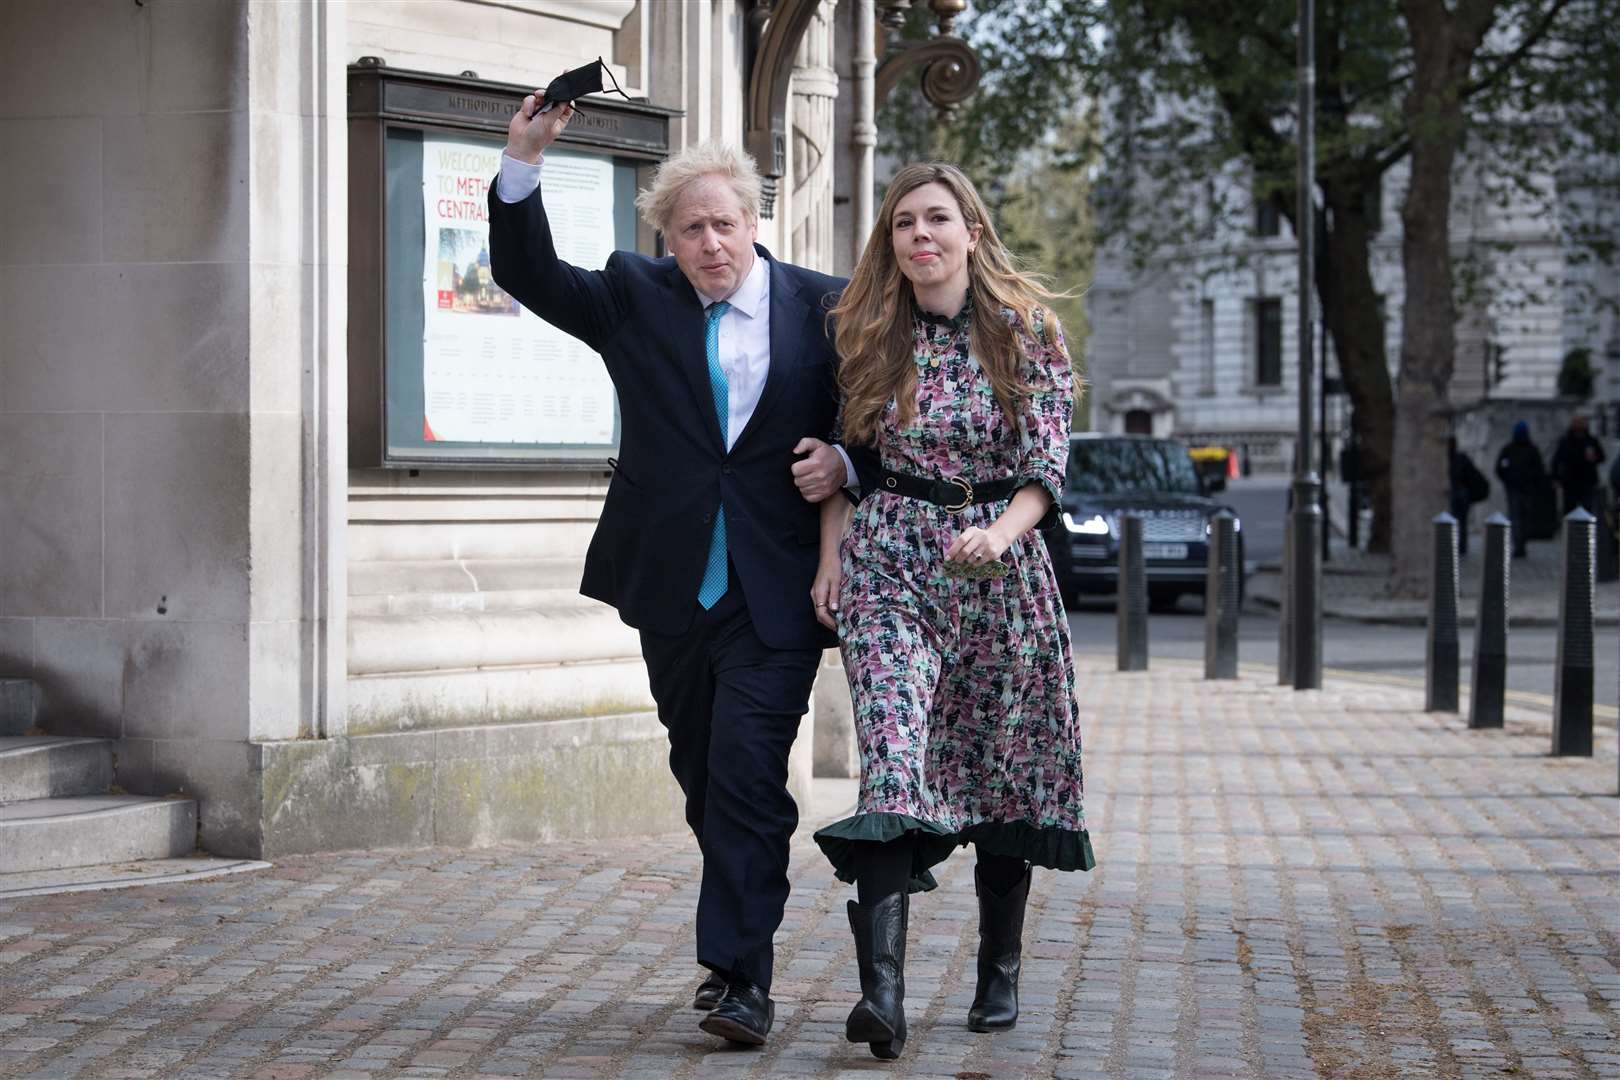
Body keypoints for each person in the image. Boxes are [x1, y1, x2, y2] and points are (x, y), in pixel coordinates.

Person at [488, 90, 861, 1048]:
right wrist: (522, 163)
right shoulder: (633, 297)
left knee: (744, 771)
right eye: (690, 228)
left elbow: (875, 427)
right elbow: (528, 270)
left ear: (753, 221)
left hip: (775, 589)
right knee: (702, 772)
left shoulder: (823, 307)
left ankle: (741, 976)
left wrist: (844, 464)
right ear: (669, 237)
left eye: (725, 224)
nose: (710, 243)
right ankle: (738, 934)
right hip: (671, 585)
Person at [809, 163, 1095, 1060]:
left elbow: (1046, 467)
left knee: (1000, 768)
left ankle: (998, 968)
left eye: (937, 220)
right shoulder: (866, 330)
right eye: (903, 224)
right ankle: (882, 999)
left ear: (972, 229)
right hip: (892, 557)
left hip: (999, 568)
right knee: (893, 759)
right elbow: (847, 459)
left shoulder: (1027, 332)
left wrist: (1002, 534)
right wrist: (832, 561)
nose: (919, 236)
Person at [1495, 421, 1547, 558]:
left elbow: (1539, 470)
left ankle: (1521, 543)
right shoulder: (1509, 450)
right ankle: (1519, 544)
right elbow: (1500, 469)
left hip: (1527, 489)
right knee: (1517, 517)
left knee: (1524, 518)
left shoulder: (1531, 450)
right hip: (1515, 489)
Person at [1549, 414, 1607, 516]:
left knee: (1587, 511)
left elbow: (1601, 457)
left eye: (1581, 423)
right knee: (1569, 511)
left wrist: (1594, 458)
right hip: (1570, 483)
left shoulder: (1591, 441)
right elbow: (1556, 460)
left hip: (1587, 482)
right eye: (1577, 423)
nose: (1579, 425)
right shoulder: (1566, 441)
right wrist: (1556, 478)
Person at [1448, 436, 1489, 556]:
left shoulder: (1458, 459)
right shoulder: (1458, 458)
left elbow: (1472, 475)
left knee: (1459, 521)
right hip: (1460, 494)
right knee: (1459, 522)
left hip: (1460, 495)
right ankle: (1459, 546)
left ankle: (1460, 546)